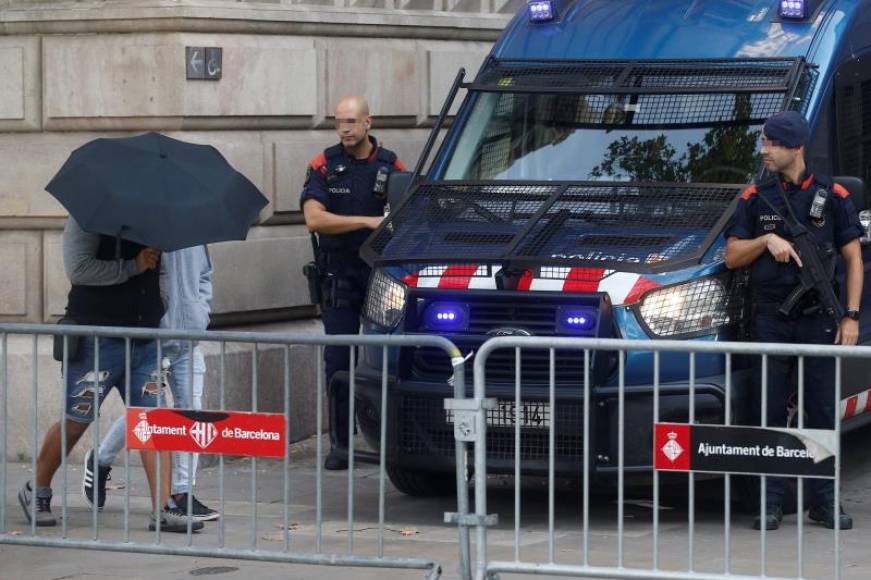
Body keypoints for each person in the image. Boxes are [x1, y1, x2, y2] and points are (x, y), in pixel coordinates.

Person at [724, 111, 863, 531]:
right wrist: (766, 241)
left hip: (819, 319)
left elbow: (854, 259)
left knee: (820, 412)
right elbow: (732, 256)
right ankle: (770, 503)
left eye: (772, 144)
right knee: (768, 411)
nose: (764, 151)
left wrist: (851, 316)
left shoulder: (834, 195)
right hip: (770, 319)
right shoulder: (755, 197)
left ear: (796, 147)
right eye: (765, 142)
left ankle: (823, 502)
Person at [19, 218, 203, 532]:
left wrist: (160, 304)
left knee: (154, 420)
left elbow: (162, 270)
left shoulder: (153, 220)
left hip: (144, 339)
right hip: (96, 339)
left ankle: (164, 508)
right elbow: (79, 269)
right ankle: (37, 490)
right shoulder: (87, 216)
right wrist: (132, 266)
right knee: (77, 418)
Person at [300, 96, 406, 470]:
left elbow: (406, 216)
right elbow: (314, 219)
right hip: (340, 274)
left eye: (351, 121)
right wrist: (366, 221)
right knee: (339, 361)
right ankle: (341, 445)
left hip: (380, 275)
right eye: (338, 122)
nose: (344, 128)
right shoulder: (325, 165)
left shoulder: (391, 166)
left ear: (367, 123)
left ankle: (395, 439)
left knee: (391, 358)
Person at [83, 245, 218, 522]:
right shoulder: (151, 232)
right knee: (151, 415)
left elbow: (205, 274)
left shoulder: (197, 235)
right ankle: (101, 459)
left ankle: (181, 493)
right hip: (152, 340)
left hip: (189, 338)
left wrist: (200, 313)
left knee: (190, 413)